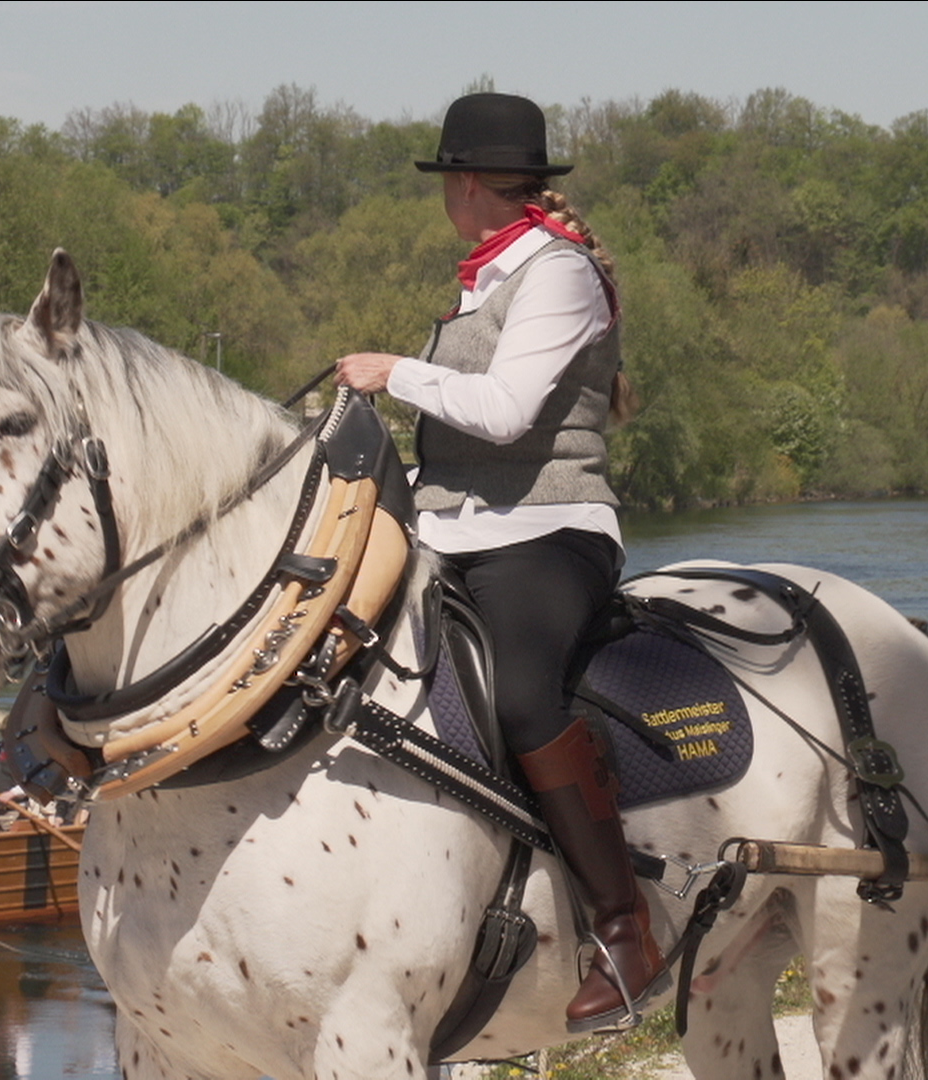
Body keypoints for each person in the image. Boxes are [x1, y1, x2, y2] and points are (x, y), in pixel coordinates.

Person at [332, 92, 655, 1032]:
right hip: (451, 529)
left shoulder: (558, 275)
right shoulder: (485, 274)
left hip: (550, 529)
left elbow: (510, 411)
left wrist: (399, 373)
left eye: (446, 185)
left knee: (521, 698)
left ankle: (624, 929)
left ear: (466, 185)